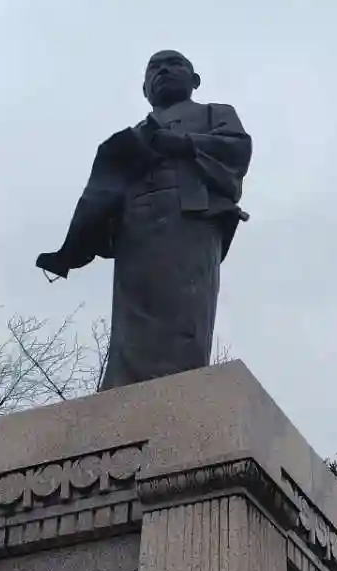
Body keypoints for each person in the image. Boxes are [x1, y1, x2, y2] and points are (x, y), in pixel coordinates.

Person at [35, 50, 251, 389]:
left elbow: (236, 149)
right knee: (132, 318)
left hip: (189, 217)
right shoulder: (135, 135)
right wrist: (74, 247)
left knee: (184, 306)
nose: (163, 70)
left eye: (174, 64)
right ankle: (124, 389)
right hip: (135, 228)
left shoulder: (214, 113)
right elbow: (103, 191)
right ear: (145, 88)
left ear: (194, 80)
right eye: (154, 68)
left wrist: (181, 143)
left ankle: (179, 388)